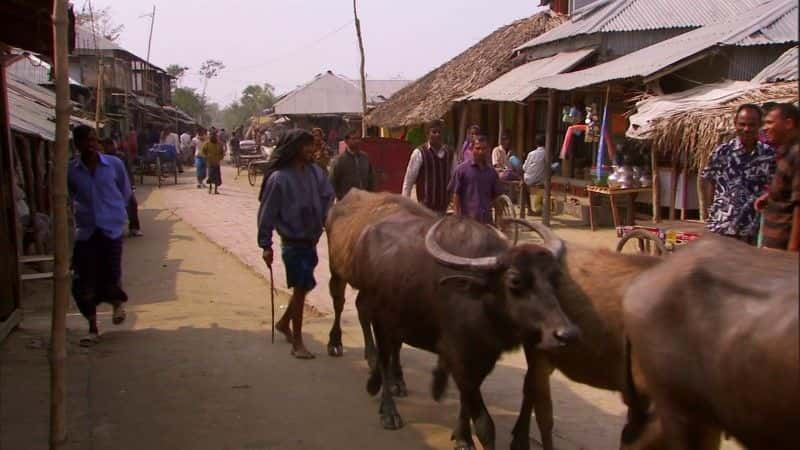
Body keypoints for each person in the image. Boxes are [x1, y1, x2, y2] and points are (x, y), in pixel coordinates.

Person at [257, 130, 335, 359]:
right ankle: (298, 343)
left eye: (313, 146)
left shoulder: (315, 173)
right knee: (300, 288)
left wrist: (328, 219)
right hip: (292, 242)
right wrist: (266, 245)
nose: (312, 150)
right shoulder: (279, 178)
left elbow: (327, 196)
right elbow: (266, 214)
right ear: (295, 149)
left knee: (305, 286)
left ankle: (283, 322)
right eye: (307, 147)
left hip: (312, 239)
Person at [68, 125, 132, 346]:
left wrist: (116, 212)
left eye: (94, 140)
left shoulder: (114, 164)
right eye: (87, 141)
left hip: (111, 228)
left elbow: (125, 191)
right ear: (77, 144)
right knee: (83, 280)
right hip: (86, 231)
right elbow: (68, 195)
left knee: (111, 272)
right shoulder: (72, 171)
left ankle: (117, 304)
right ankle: (92, 327)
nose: (92, 144)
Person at [701, 104, 775, 244]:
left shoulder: (768, 154)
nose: (746, 129)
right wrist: (710, 210)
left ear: (759, 125)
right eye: (742, 124)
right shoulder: (722, 152)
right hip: (722, 225)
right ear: (735, 124)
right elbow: (709, 179)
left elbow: (773, 186)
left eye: (752, 125)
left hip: (752, 227)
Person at [756, 103, 800, 251]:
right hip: (775, 245)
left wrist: (791, 254)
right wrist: (770, 197)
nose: (764, 128)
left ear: (788, 124)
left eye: (770, 122)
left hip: (783, 251)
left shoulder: (797, 153)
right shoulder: (786, 152)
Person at [401, 120, 456, 214]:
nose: (437, 135)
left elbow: (455, 178)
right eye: (434, 132)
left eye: (440, 132)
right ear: (427, 134)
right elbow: (409, 180)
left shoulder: (450, 153)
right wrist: (405, 204)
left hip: (444, 207)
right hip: (425, 207)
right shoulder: (419, 153)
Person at [449, 135, 502, 224]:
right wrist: (457, 217)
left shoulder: (491, 173)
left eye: (484, 148)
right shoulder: (461, 170)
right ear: (471, 149)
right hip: (468, 223)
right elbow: (455, 194)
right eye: (477, 148)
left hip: (486, 222)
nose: (481, 151)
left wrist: (500, 220)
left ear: (488, 150)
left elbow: (496, 198)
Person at [101, 138, 143, 237]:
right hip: (107, 186)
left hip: (122, 185)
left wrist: (131, 185)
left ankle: (134, 228)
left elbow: (128, 172)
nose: (110, 148)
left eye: (111, 145)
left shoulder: (121, 157)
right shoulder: (100, 158)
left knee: (132, 203)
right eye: (107, 146)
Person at [329, 129, 375, 200]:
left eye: (358, 138)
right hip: (347, 203)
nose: (357, 141)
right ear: (346, 141)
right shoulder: (339, 160)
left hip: (365, 201)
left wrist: (371, 195)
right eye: (353, 139)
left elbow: (371, 178)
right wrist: (340, 198)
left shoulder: (365, 158)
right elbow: (332, 182)